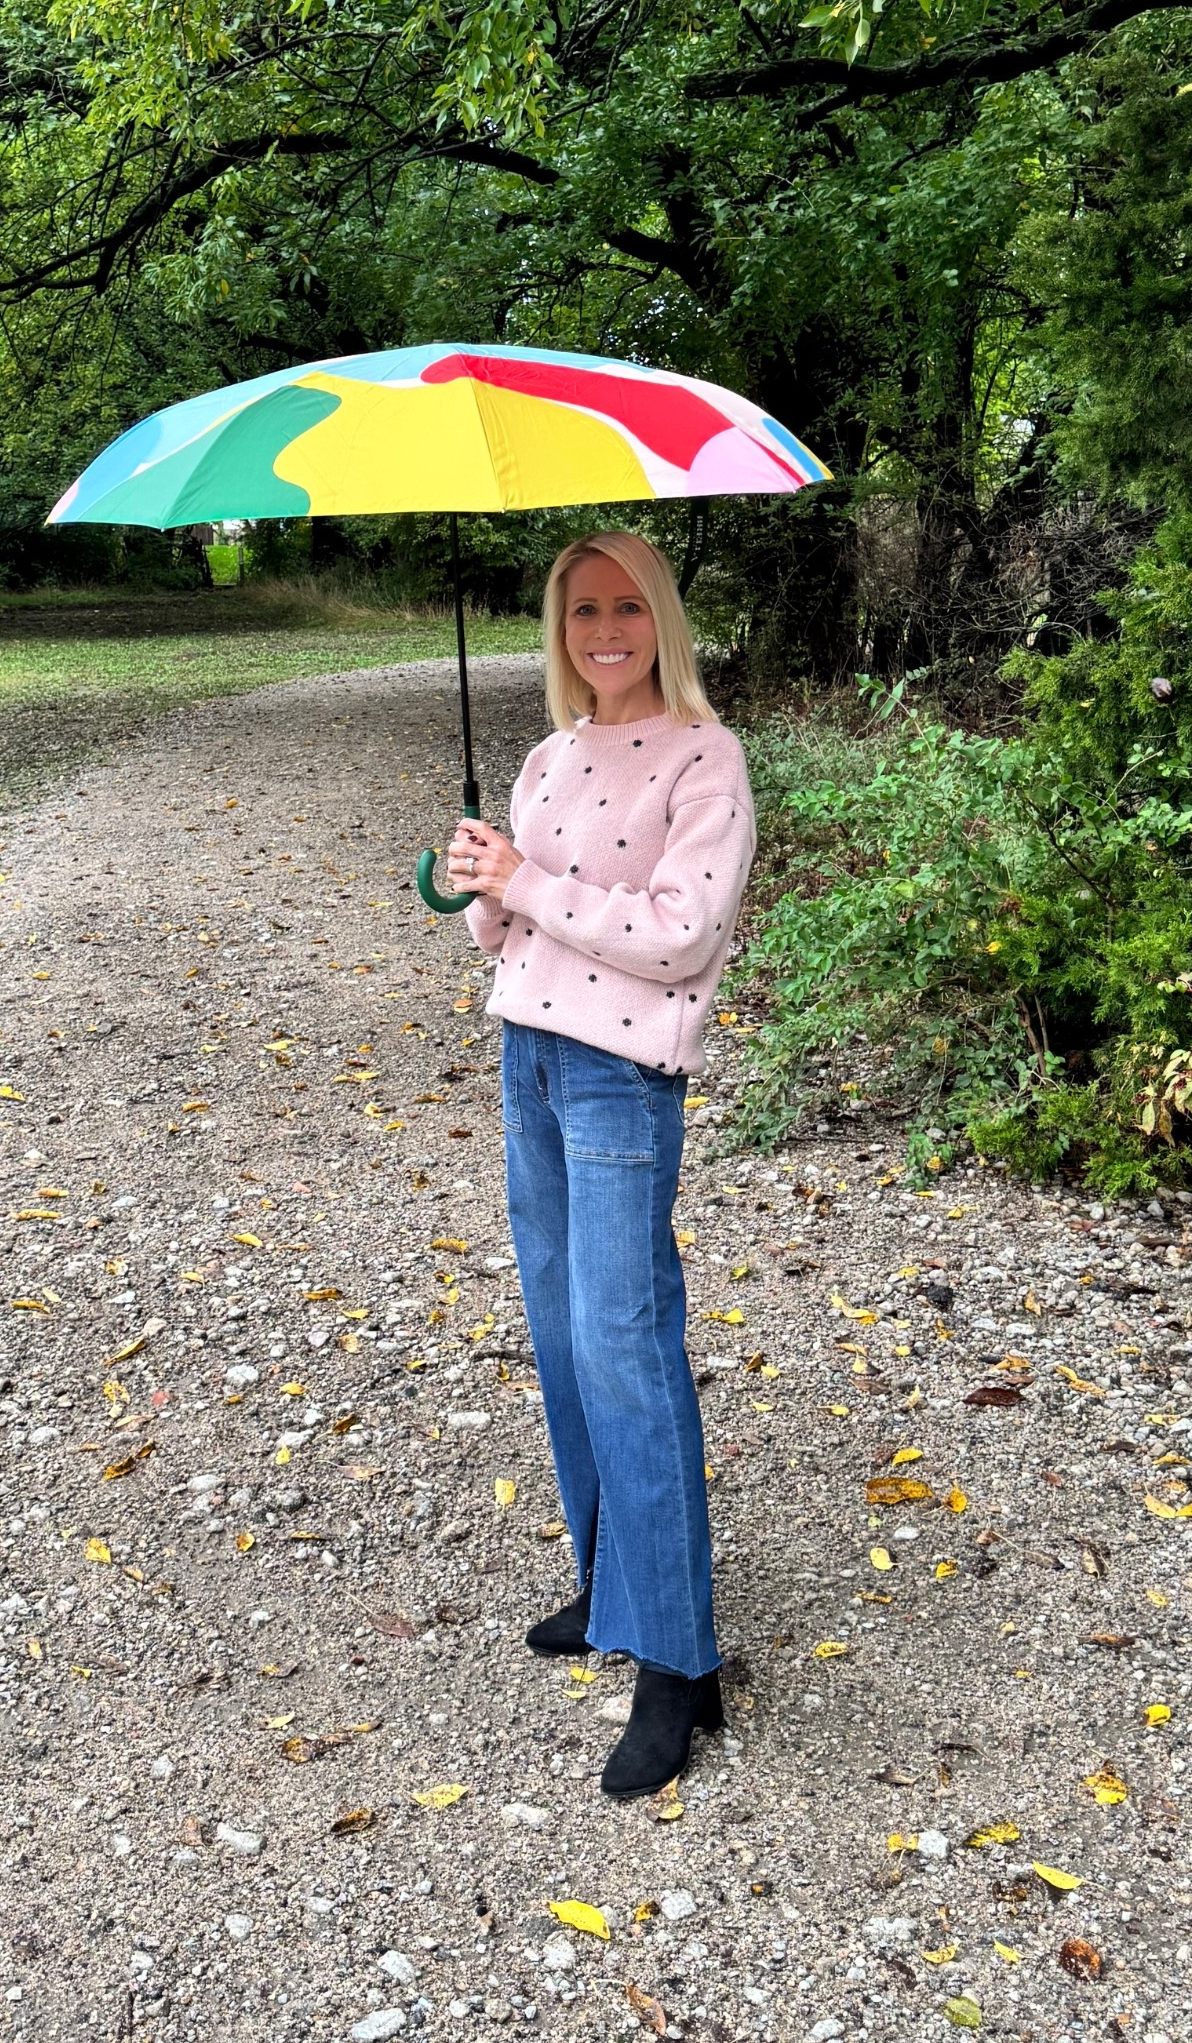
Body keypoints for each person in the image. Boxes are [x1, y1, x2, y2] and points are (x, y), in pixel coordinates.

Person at [446, 530, 757, 1799]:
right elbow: (503, 932)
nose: (606, 629)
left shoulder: (704, 755)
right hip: (527, 1056)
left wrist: (529, 879)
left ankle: (680, 1657)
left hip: (619, 1076)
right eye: (583, 610)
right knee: (566, 1335)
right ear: (559, 627)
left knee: (627, 1346)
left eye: (628, 606)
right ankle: (611, 1581)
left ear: (661, 620)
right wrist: (479, 878)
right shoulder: (544, 755)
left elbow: (682, 937)